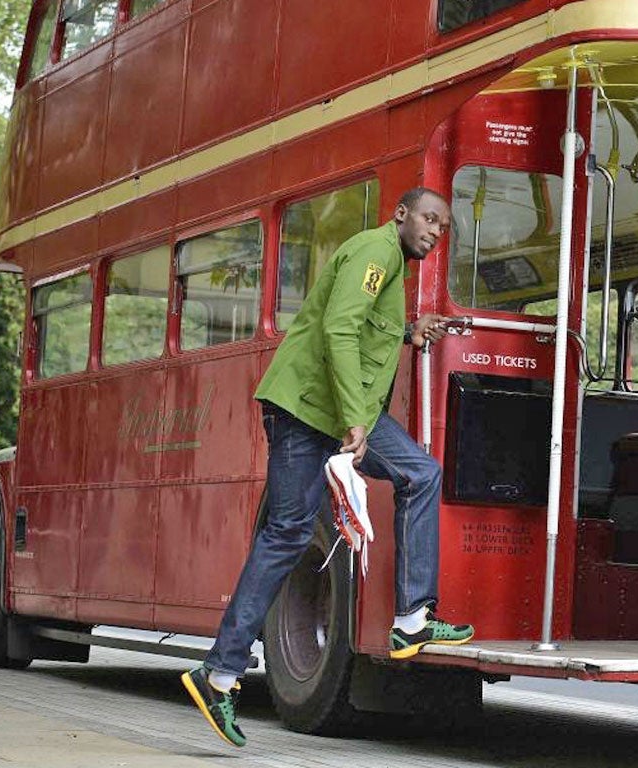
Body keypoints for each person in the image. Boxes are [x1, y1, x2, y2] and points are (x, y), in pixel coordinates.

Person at [181, 187, 475, 748]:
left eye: (444, 226)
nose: (436, 231)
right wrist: (354, 421)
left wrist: (409, 333)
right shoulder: (375, 251)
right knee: (287, 533)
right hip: (309, 410)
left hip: (337, 409)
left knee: (420, 473)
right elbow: (339, 329)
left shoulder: (388, 264)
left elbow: (362, 327)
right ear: (401, 214)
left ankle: (412, 618)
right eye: (429, 219)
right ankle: (219, 673)